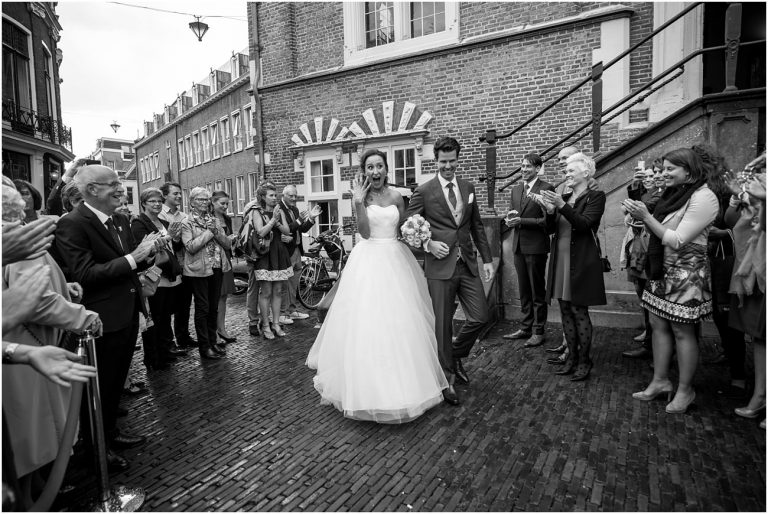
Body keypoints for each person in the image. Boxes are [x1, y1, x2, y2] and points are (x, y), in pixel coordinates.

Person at [306, 149, 448, 422]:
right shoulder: (361, 196)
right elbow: (365, 232)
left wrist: (421, 236)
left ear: (386, 168)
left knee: (401, 320)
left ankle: (406, 380)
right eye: (370, 167)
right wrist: (358, 202)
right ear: (365, 170)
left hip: (396, 259)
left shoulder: (397, 196)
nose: (375, 171)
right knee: (369, 321)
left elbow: (404, 229)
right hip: (369, 259)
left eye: (379, 166)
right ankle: (368, 384)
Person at [51, 164, 157, 471]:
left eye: (119, 182)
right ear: (91, 190)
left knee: (114, 384)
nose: (120, 188)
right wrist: (132, 258)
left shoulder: (121, 219)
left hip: (127, 312)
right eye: (112, 184)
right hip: (100, 320)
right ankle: (96, 448)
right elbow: (84, 274)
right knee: (98, 388)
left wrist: (145, 255)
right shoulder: (72, 224)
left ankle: (110, 432)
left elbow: (126, 265)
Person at [2, 184, 103, 486]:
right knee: (29, 443)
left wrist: (64, 287)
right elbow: (36, 300)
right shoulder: (16, 238)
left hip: (22, 348)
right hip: (26, 349)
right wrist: (83, 316)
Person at [624, 148, 719, 414]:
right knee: (657, 323)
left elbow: (677, 238)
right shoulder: (673, 194)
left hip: (685, 273)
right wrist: (637, 204)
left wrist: (646, 217)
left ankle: (686, 390)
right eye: (663, 168)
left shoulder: (704, 197)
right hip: (660, 270)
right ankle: (660, 381)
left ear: (688, 171)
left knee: (682, 330)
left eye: (669, 169)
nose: (664, 174)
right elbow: (651, 217)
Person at [406, 137, 495, 405]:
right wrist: (428, 243)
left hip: (467, 263)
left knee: (481, 315)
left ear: (458, 158)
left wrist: (487, 259)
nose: (448, 166)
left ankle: (454, 354)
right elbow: (407, 225)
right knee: (442, 326)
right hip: (439, 267)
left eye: (452, 161)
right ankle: (446, 380)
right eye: (443, 162)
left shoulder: (467, 187)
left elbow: (476, 225)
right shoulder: (424, 190)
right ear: (436, 161)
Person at [540, 153, 606, 381]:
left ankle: (585, 360)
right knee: (564, 310)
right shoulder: (564, 196)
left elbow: (585, 224)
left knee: (579, 311)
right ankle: (571, 358)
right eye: (565, 171)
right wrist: (550, 212)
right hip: (560, 260)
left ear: (586, 173)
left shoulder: (596, 197)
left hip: (581, 261)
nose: (566, 174)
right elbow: (550, 229)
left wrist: (560, 205)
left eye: (570, 171)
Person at [693, 143, 747, 395]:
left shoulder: (725, 187)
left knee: (725, 312)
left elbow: (740, 223)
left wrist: (721, 233)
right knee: (716, 311)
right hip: (703, 256)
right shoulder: (696, 187)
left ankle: (738, 373)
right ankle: (728, 353)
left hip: (724, 256)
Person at [726, 153, 765, 427]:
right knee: (760, 337)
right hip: (755, 266)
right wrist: (738, 196)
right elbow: (733, 222)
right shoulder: (756, 188)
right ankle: (760, 394)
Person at [502, 152, 554, 347]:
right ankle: (525, 327)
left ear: (538, 169)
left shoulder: (546, 188)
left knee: (537, 290)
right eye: (522, 166)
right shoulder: (516, 190)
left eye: (528, 167)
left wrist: (521, 221)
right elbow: (512, 213)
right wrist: (509, 220)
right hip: (518, 246)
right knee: (524, 289)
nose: (524, 169)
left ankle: (539, 330)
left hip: (537, 247)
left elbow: (547, 221)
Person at [131, 188, 186, 371]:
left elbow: (173, 245)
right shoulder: (139, 223)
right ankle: (153, 358)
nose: (156, 204)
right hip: (154, 276)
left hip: (168, 274)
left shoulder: (163, 221)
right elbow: (145, 248)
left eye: (158, 201)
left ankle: (165, 350)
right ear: (144, 203)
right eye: (152, 201)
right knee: (154, 317)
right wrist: (169, 235)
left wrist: (175, 237)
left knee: (165, 316)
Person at [181, 187, 231, 360]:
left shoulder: (214, 219)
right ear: (192, 201)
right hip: (198, 270)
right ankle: (204, 347)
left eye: (206, 199)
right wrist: (209, 232)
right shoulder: (187, 222)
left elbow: (227, 244)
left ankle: (213, 341)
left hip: (216, 266)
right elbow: (191, 247)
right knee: (202, 308)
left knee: (213, 307)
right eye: (200, 199)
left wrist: (216, 231)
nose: (204, 202)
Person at [621, 163, 664, 359]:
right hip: (638, 247)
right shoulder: (649, 193)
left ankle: (652, 345)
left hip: (650, 249)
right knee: (642, 292)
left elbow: (641, 209)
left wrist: (633, 210)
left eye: (654, 174)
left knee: (649, 295)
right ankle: (649, 337)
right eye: (650, 175)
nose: (651, 178)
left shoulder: (660, 194)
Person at [250, 183, 293, 340]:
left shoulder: (279, 210)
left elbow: (287, 231)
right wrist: (273, 221)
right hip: (265, 253)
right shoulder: (257, 211)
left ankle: (276, 323)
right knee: (266, 291)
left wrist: (278, 221)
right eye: (271, 195)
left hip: (279, 252)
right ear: (263, 197)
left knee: (277, 291)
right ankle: (266, 324)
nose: (275, 198)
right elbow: (261, 232)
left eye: (275, 195)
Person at [159, 182, 196, 350]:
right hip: (167, 267)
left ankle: (183, 336)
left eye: (180, 194)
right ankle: (168, 341)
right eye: (175, 194)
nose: (179, 196)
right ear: (164, 195)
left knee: (184, 303)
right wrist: (174, 238)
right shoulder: (159, 215)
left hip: (184, 264)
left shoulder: (184, 216)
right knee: (166, 307)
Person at [277, 185, 321, 325]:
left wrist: (311, 219)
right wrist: (299, 221)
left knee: (294, 283)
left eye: (295, 196)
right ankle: (283, 313)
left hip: (296, 249)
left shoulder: (295, 209)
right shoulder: (279, 208)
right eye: (291, 196)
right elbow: (286, 229)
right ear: (284, 195)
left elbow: (300, 229)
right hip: (285, 251)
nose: (294, 199)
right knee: (284, 283)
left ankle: (292, 310)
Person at [211, 190, 237, 344]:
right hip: (213, 260)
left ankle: (222, 328)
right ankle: (213, 331)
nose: (225, 206)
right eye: (222, 203)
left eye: (227, 203)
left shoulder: (227, 218)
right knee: (214, 297)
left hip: (226, 259)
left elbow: (228, 241)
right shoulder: (208, 218)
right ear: (213, 203)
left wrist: (233, 240)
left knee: (223, 296)